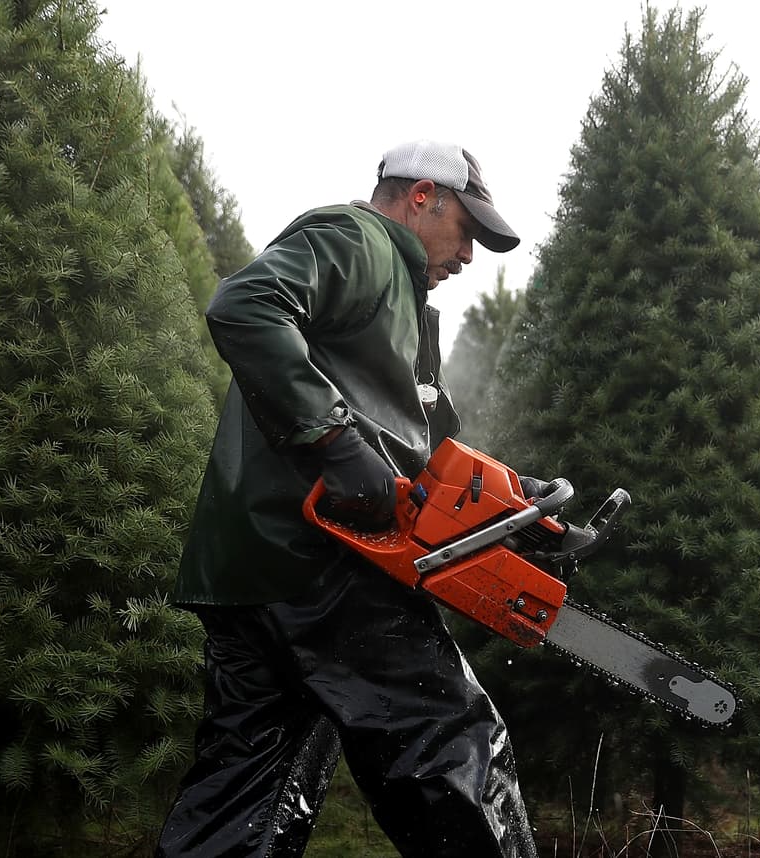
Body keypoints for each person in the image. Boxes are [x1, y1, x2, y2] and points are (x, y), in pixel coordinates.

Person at [155, 140, 537, 858]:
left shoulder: (399, 301)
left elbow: (414, 453)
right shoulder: (359, 242)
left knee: (248, 800)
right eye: (468, 231)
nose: (470, 257)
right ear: (422, 196)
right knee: (453, 746)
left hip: (249, 574)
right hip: (328, 567)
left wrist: (517, 501)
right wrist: (333, 442)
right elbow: (243, 304)